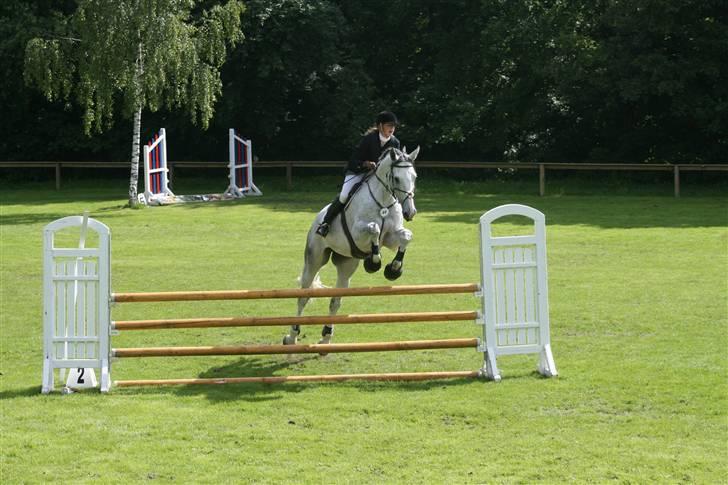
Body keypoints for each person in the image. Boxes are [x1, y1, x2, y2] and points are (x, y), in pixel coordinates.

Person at [316, 111, 401, 237]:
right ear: (380, 126)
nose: (392, 129)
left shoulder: (395, 143)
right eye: (389, 125)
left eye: (393, 126)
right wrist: (365, 164)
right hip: (358, 172)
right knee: (344, 195)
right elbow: (353, 160)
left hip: (379, 177)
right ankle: (326, 223)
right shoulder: (369, 139)